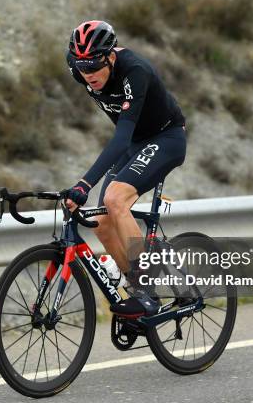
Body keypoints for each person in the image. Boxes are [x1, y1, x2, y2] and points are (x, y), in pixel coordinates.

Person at [65, 20, 187, 317]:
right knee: (102, 223)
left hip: (165, 138)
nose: (88, 74)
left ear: (110, 56)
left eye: (94, 66)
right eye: (82, 67)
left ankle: (147, 291)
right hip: (135, 143)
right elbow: (125, 139)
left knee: (114, 199)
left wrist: (84, 184)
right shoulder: (80, 70)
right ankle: (136, 290)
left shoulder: (135, 71)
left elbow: (120, 138)